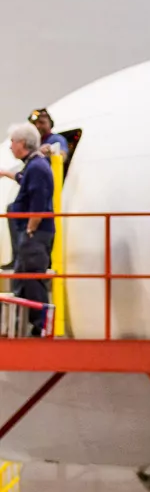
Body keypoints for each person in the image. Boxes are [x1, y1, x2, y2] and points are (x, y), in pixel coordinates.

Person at [5, 124, 54, 337]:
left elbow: (38, 203)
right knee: (23, 279)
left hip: (34, 234)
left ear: (22, 144)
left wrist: (30, 229)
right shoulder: (34, 166)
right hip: (31, 234)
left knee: (32, 278)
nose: (10, 147)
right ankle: (28, 325)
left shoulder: (37, 167)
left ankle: (42, 326)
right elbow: (26, 182)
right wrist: (8, 174)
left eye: (13, 142)